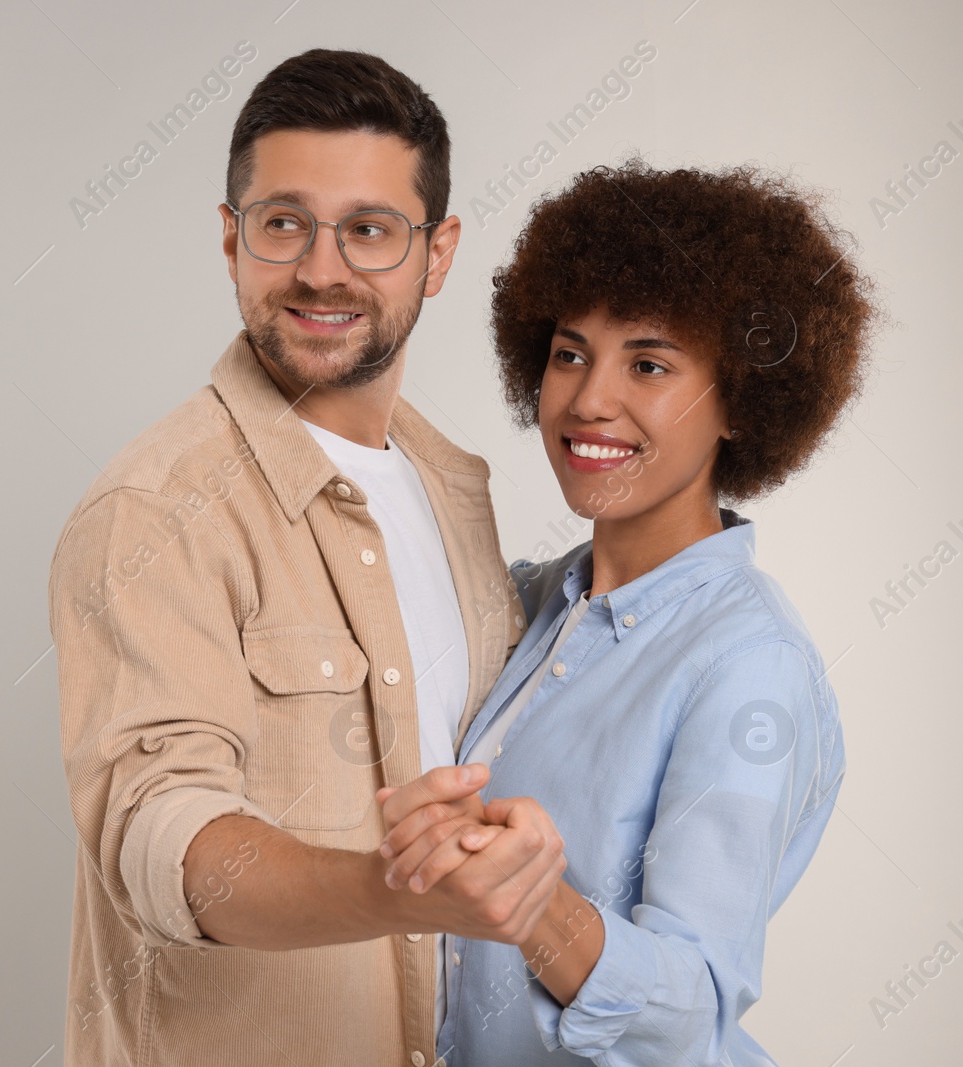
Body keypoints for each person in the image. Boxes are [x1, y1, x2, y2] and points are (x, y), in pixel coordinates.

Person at [47, 49, 565, 1067]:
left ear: (438, 250)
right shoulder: (153, 511)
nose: (321, 269)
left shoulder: (451, 491)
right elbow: (163, 840)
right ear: (231, 239)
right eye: (283, 223)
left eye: (369, 230)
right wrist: (387, 887)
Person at [376, 158, 879, 1064]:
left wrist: (540, 905)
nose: (588, 399)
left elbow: (690, 1011)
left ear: (739, 402)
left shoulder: (748, 666)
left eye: (648, 363)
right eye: (570, 352)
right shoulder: (530, 601)